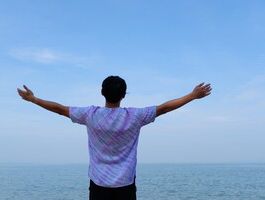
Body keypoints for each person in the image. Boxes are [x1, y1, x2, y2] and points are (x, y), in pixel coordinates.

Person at [17, 76, 212, 200]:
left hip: (98, 182)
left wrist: (33, 99)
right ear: (124, 95)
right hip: (125, 183)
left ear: (102, 92)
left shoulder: (90, 114)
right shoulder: (135, 116)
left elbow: (59, 109)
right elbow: (165, 107)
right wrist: (192, 95)